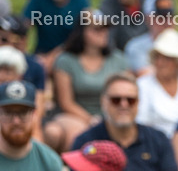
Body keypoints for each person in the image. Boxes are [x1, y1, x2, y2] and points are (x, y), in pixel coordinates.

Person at [47, 13, 131, 152]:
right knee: (76, 136)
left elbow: (127, 91)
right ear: (82, 32)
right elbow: (66, 102)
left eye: (106, 29)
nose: (104, 33)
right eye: (97, 29)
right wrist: (91, 120)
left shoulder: (118, 60)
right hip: (74, 115)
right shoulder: (65, 60)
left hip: (112, 115)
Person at [22, 0, 91, 71]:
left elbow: (82, 35)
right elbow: (24, 25)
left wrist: (54, 55)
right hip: (42, 52)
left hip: (72, 53)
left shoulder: (81, 1)